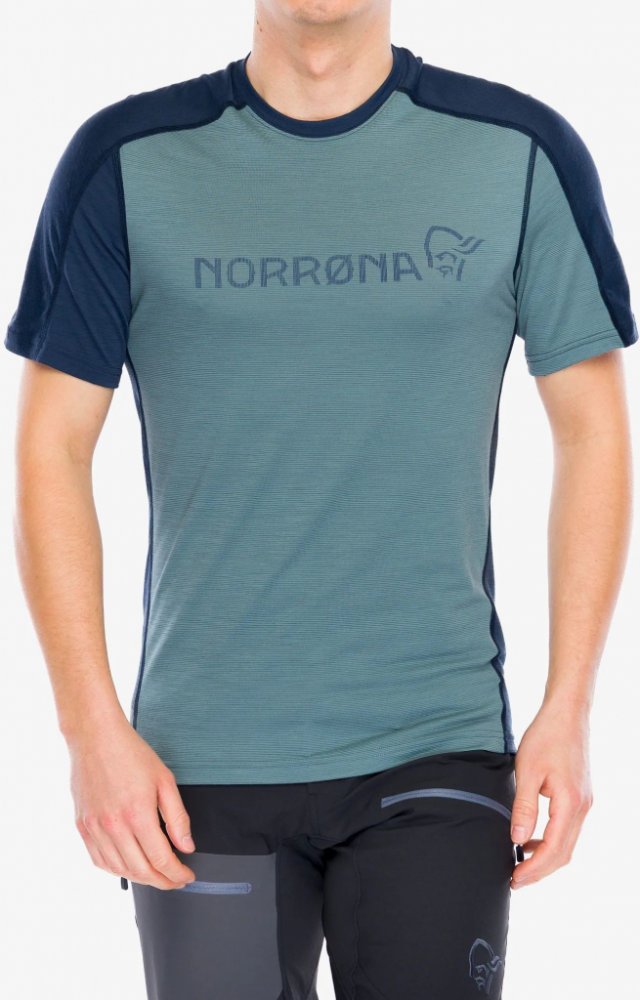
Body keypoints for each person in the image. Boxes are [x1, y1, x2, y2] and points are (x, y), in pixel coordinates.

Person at [5, 2, 636, 998]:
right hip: (197, 767)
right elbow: (52, 446)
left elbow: (592, 431)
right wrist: (90, 733)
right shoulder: (125, 159)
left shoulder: (518, 150)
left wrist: (570, 708)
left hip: (435, 744)